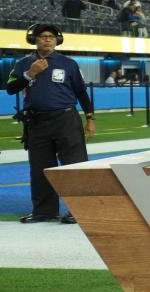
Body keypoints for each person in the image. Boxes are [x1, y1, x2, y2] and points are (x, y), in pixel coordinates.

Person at [5, 24, 96, 224]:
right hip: (36, 122)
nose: (47, 39)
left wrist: (90, 118)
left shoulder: (69, 63)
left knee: (74, 166)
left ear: (57, 40)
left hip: (66, 120)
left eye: (51, 36)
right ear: (34, 40)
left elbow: (81, 92)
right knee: (40, 168)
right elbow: (11, 88)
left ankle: (78, 210)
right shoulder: (22, 64)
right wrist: (30, 73)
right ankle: (44, 211)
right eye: (42, 36)